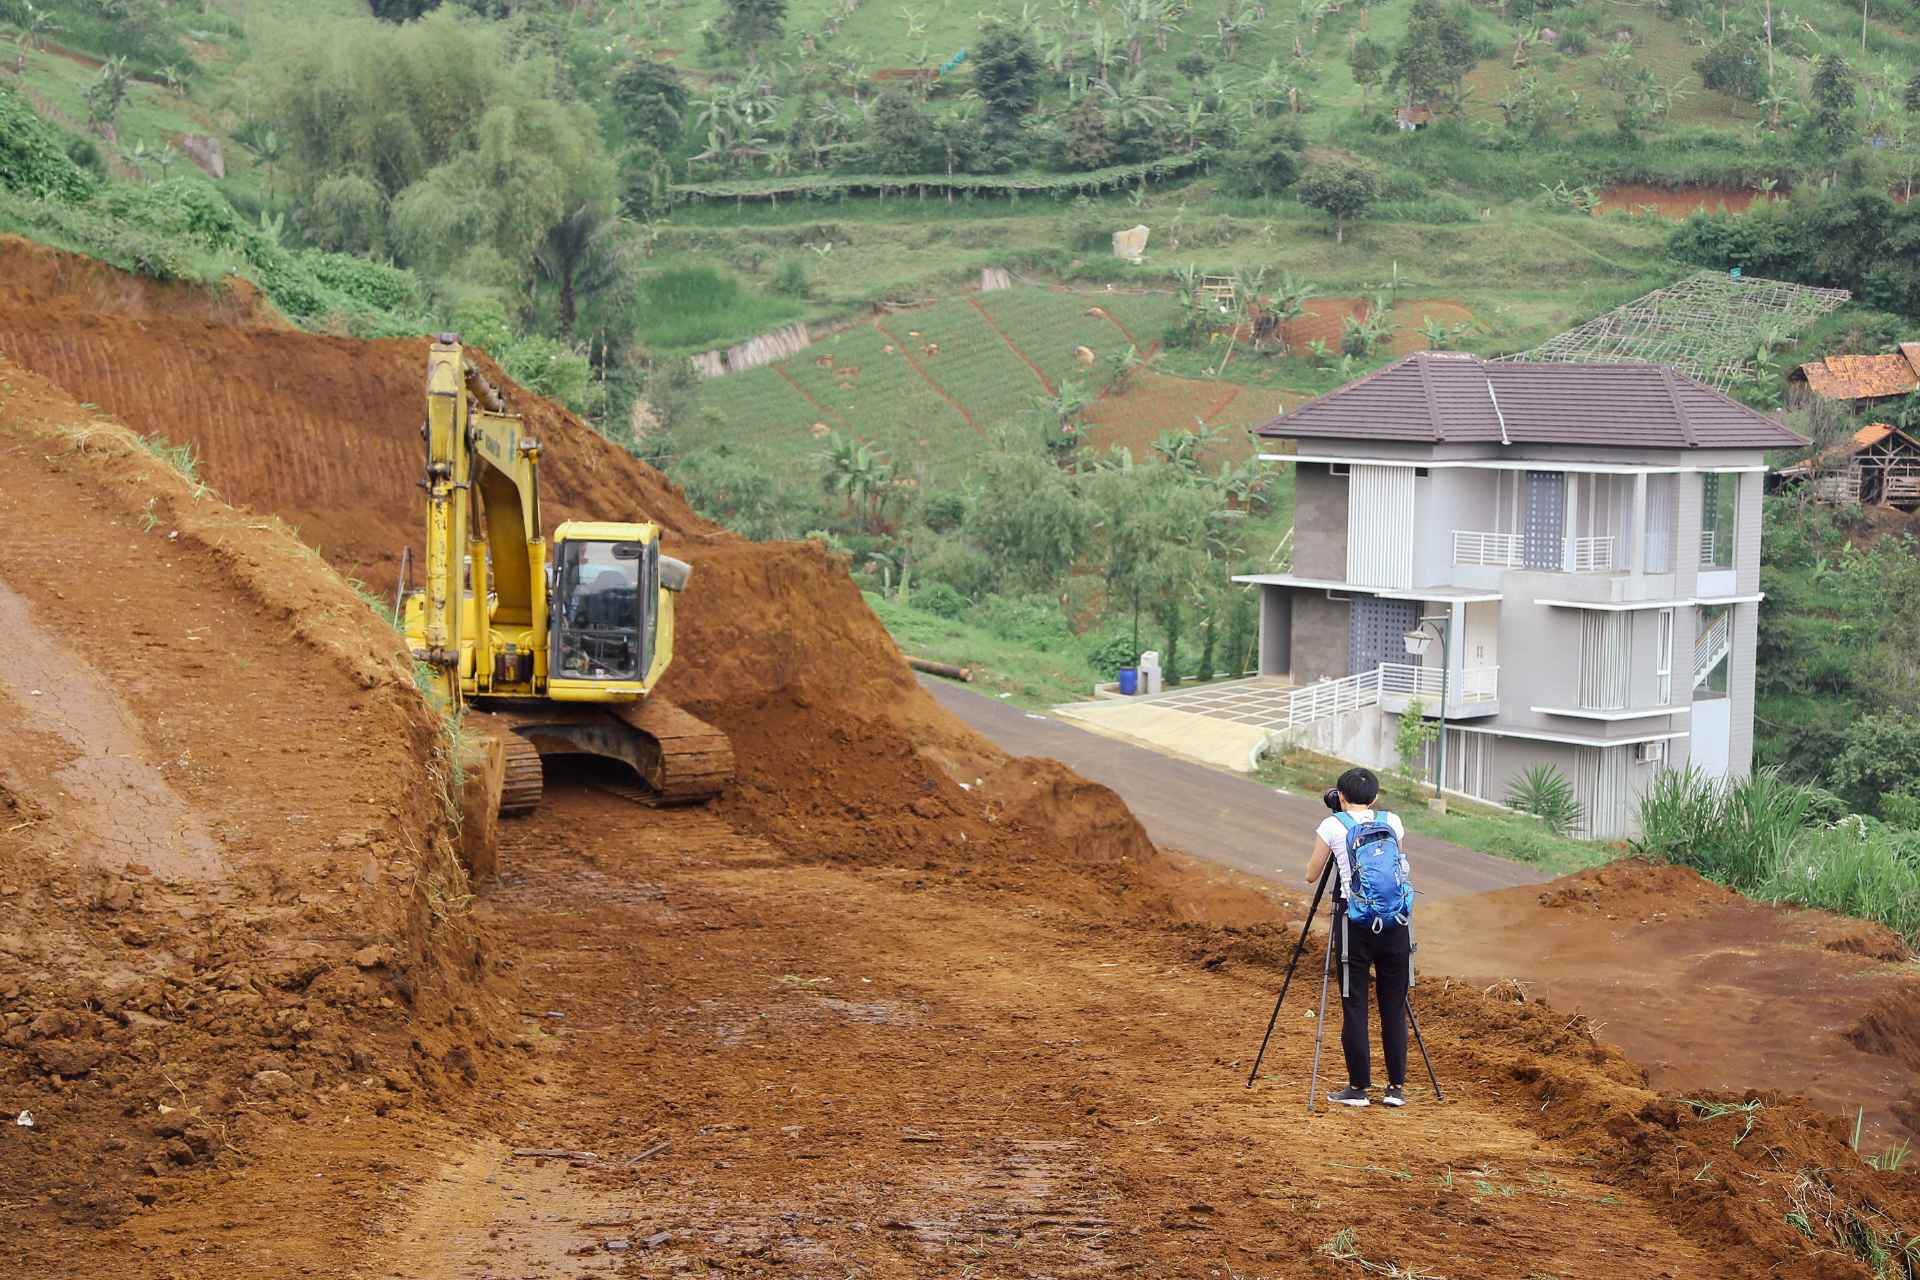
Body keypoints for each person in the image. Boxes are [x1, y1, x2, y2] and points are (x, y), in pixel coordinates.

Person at [1302, 766, 1410, 1108]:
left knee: (1356, 1006)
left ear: (1340, 795)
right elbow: (1401, 869)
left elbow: (1310, 875)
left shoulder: (1332, 826)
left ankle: (1358, 1089)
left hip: (1355, 925)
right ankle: (1395, 1090)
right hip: (1396, 923)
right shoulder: (1391, 821)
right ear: (1375, 798)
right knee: (1394, 1007)